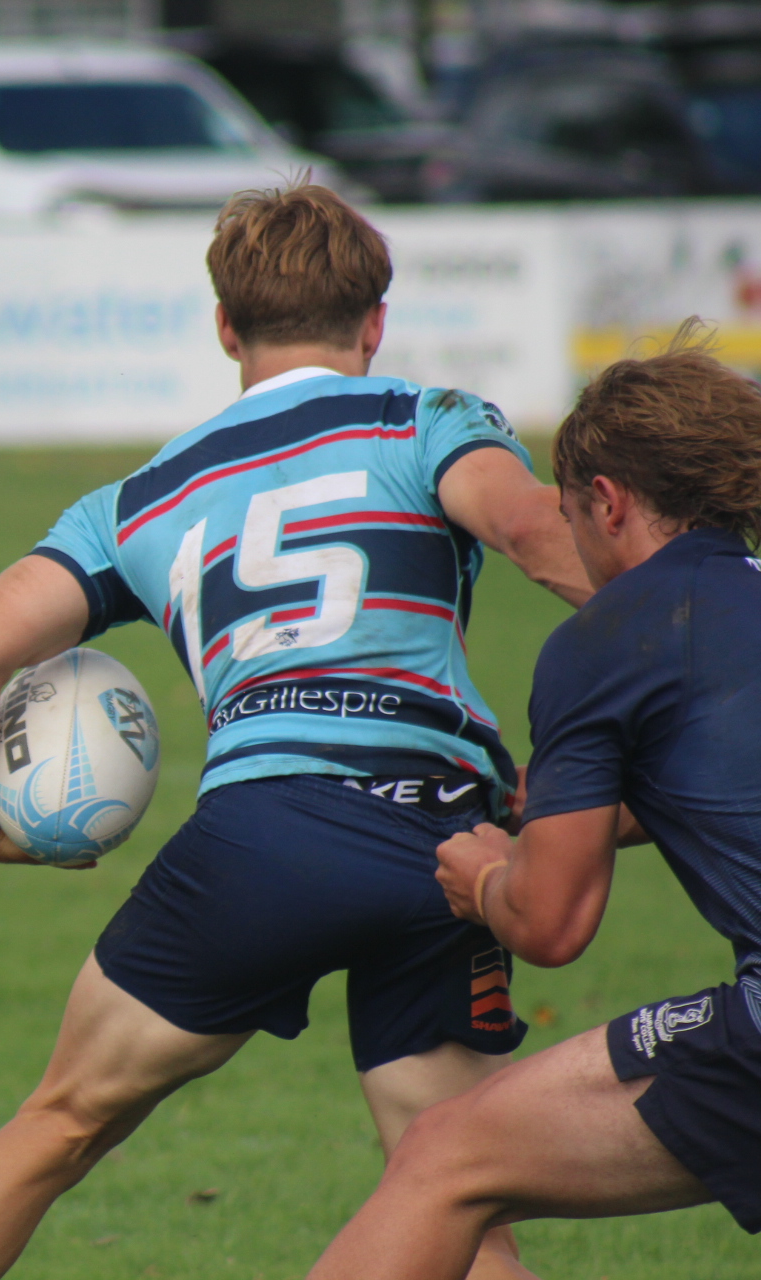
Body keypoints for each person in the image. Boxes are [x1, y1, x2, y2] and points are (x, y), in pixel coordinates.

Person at [0, 181, 591, 1280]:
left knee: (58, 1123)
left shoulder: (135, 502)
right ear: (375, 322)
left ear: (226, 327)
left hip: (267, 835)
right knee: (453, 1190)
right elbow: (536, 531)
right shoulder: (426, 419)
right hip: (450, 841)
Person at [307, 336, 761, 1280]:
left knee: (445, 1155)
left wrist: (487, 881)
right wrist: (575, 814)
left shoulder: (609, 637)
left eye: (568, 513)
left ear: (607, 501)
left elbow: (551, 924)